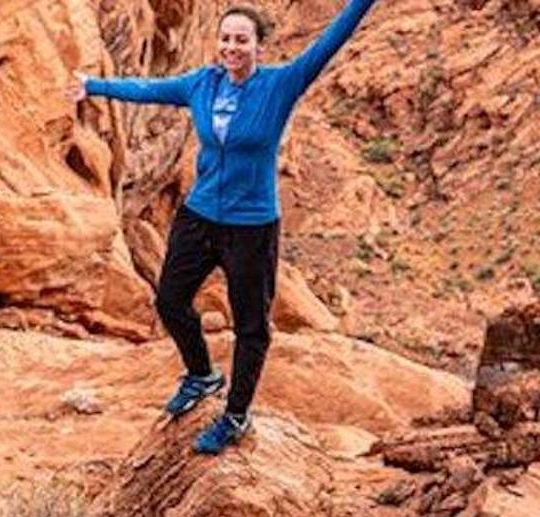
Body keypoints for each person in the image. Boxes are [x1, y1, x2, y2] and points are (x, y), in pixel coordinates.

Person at [69, 0, 379, 454]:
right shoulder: (202, 83)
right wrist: (93, 85)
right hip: (199, 217)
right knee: (170, 300)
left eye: (241, 40)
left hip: (251, 226)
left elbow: (330, 41)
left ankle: (235, 415)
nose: (232, 47)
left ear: (258, 46)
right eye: (226, 38)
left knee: (251, 326)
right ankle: (201, 375)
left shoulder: (280, 85)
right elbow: (148, 88)